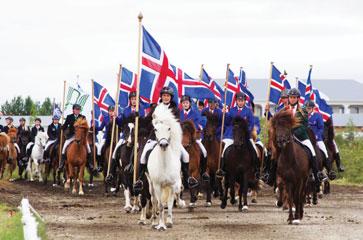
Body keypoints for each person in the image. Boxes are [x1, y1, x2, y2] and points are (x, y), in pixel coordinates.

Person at [133, 86, 197, 192]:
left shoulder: (175, 110)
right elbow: (147, 121)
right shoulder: (155, 108)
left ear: (171, 97)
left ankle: (188, 178)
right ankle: (139, 180)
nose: (166, 97)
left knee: (185, 155)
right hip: (155, 137)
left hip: (170, 139)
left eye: (167, 96)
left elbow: (174, 124)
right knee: (143, 155)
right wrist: (138, 117)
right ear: (161, 97)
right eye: (164, 96)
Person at [287, 88, 326, 190]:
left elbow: (305, 125)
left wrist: (295, 133)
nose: (292, 99)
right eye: (290, 97)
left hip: (301, 136)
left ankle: (316, 175)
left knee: (312, 152)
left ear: (298, 99)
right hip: (286, 138)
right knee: (274, 152)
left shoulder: (303, 110)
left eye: (294, 97)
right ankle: (270, 175)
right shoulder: (284, 110)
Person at [216, 92, 260, 179]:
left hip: (245, 136)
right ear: (236, 101)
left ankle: (256, 170)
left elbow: (251, 124)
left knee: (255, 150)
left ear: (244, 101)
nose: (240, 102)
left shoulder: (248, 111)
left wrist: (246, 132)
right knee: (224, 148)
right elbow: (227, 122)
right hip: (231, 135)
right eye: (239, 100)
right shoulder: (231, 110)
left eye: (242, 100)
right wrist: (224, 114)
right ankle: (222, 169)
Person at [106, 91, 146, 183]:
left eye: (135, 99)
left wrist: (138, 116)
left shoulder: (142, 109)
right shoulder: (125, 110)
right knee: (116, 150)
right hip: (126, 134)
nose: (134, 101)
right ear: (130, 100)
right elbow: (121, 122)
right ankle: (111, 173)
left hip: (137, 135)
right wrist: (116, 118)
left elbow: (143, 122)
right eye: (132, 99)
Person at [58, 104, 96, 175]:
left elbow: (86, 127)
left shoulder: (82, 117)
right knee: (64, 147)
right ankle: (62, 163)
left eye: (78, 109)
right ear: (73, 110)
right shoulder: (69, 117)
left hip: (81, 137)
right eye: (76, 109)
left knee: (88, 148)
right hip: (72, 136)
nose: (77, 111)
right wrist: (62, 127)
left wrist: (91, 127)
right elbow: (66, 125)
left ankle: (90, 164)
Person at [179, 95, 208, 180]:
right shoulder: (179, 113)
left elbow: (200, 124)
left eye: (187, 103)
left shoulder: (195, 113)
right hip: (181, 139)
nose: (185, 104)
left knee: (204, 152)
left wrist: (193, 126)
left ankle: (203, 172)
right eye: (183, 103)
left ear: (190, 104)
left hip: (194, 138)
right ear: (181, 104)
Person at [305, 100, 336, 180]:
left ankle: (329, 170)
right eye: (307, 108)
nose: (308, 110)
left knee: (325, 152)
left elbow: (321, 128)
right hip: (306, 139)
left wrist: (316, 135)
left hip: (317, 139)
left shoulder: (318, 116)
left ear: (312, 108)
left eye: (309, 108)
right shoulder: (304, 116)